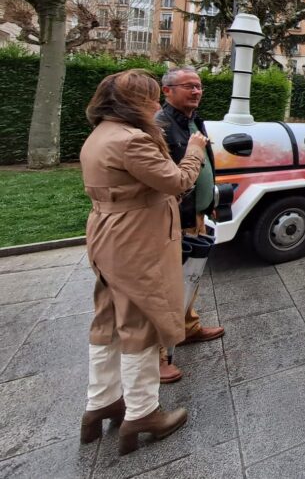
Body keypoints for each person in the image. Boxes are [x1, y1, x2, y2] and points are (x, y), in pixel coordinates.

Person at [79, 69, 208, 455]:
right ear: (135, 102)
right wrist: (196, 149)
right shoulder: (132, 139)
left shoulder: (101, 132)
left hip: (107, 233)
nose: (156, 104)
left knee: (107, 321)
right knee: (139, 325)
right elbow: (176, 181)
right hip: (134, 238)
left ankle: (100, 404)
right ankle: (142, 412)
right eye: (152, 97)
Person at [156, 67, 225, 383]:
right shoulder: (161, 126)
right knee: (169, 285)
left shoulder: (192, 120)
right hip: (174, 218)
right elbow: (169, 177)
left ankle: (189, 327)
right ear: (166, 90)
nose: (196, 91)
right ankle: (158, 356)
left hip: (195, 215)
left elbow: (204, 163)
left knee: (191, 278)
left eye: (199, 86)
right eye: (188, 86)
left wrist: (209, 202)